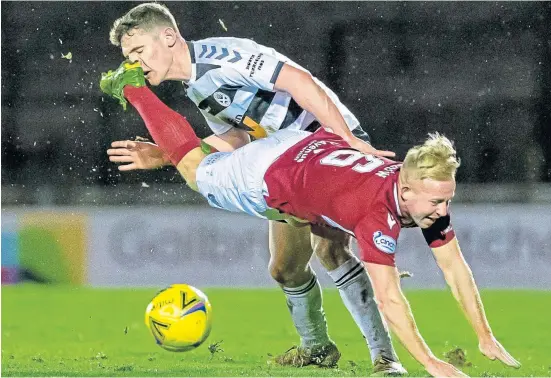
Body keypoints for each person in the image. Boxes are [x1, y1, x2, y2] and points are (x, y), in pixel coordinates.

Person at [100, 61, 522, 377]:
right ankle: (134, 88)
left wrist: (485, 334)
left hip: (302, 145)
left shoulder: (413, 188)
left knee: (294, 263)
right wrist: (429, 362)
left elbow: (455, 268)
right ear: (407, 190)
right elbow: (390, 299)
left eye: (447, 201)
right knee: (192, 168)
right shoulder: (377, 216)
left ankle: (354, 355)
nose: (442, 213)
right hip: (270, 175)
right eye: (437, 203)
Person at [104, 3, 403, 374]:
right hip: (284, 164)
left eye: (138, 51)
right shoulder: (198, 86)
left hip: (325, 143)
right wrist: (168, 154)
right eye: (128, 57)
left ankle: (385, 359)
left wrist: (347, 139)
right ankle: (317, 349)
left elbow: (297, 81)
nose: (134, 64)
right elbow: (235, 137)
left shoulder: (221, 56)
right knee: (285, 269)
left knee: (329, 248)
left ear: (167, 37)